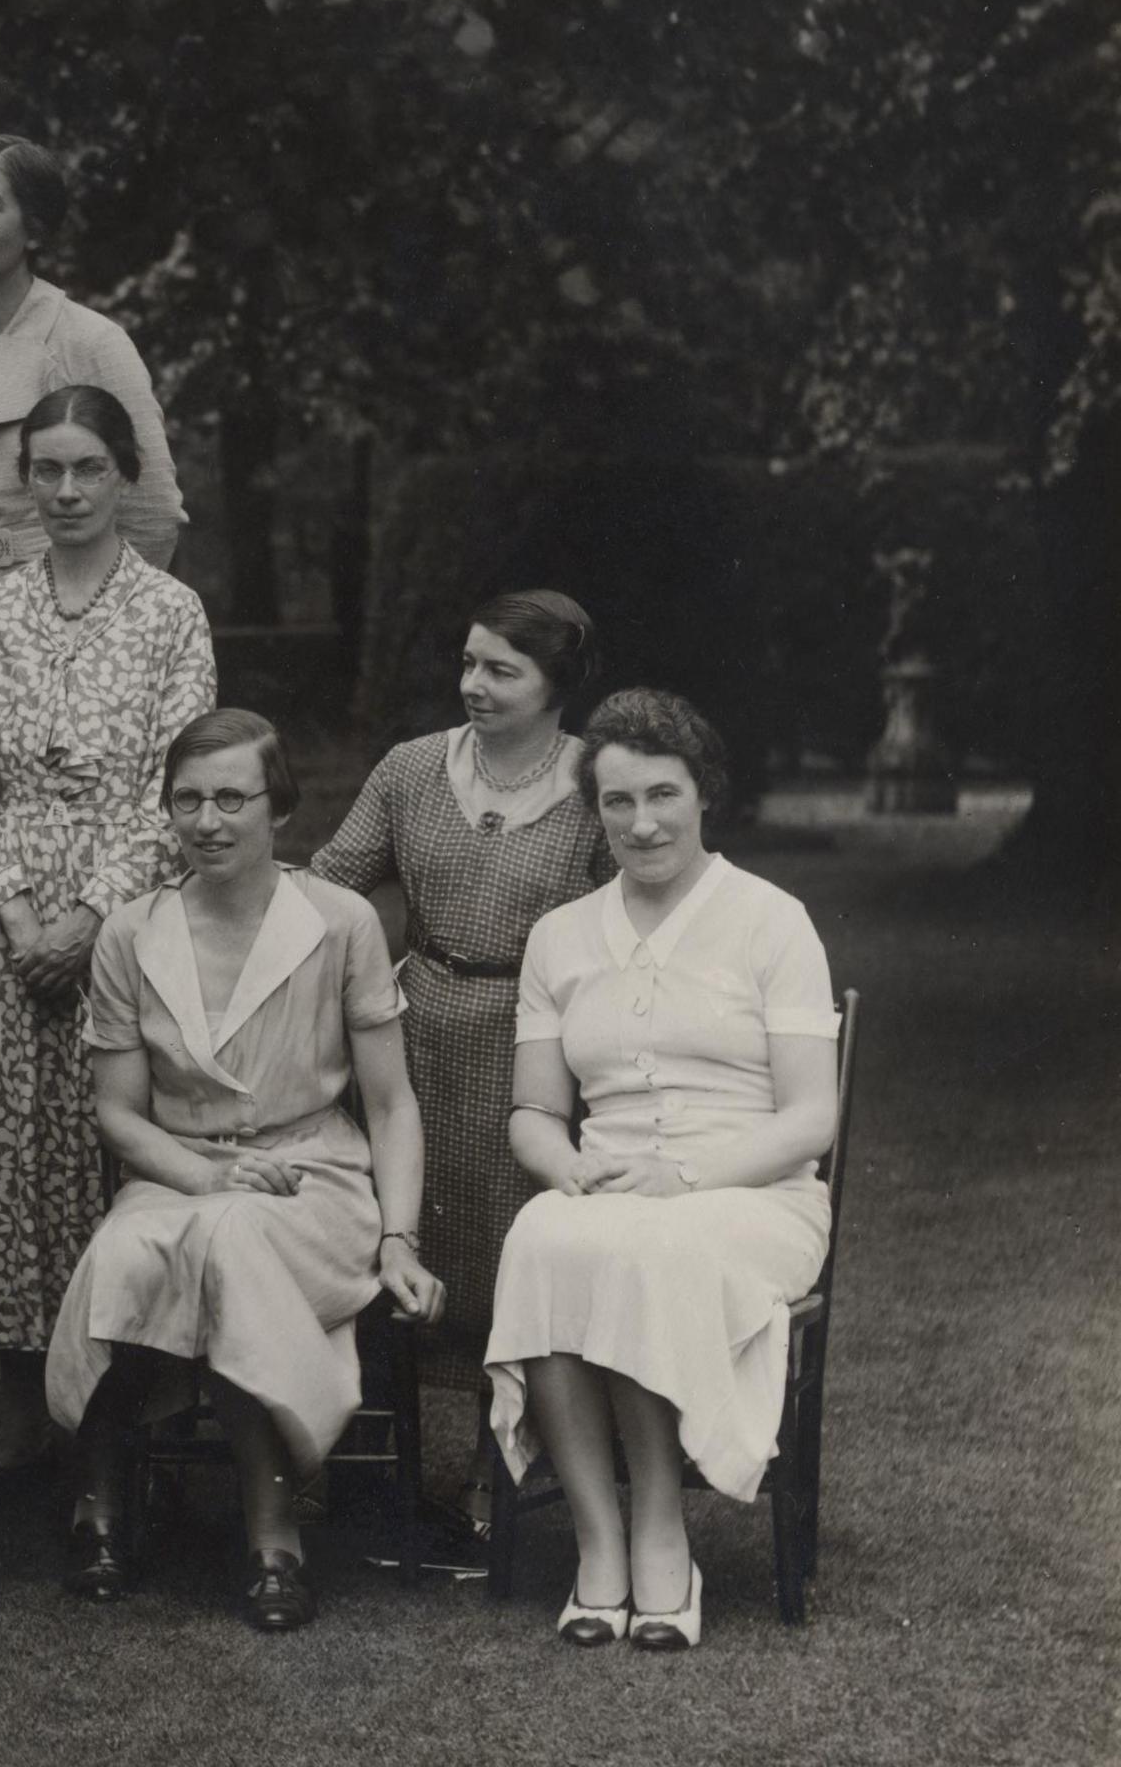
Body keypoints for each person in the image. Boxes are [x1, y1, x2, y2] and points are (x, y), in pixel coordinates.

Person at [49, 710, 443, 1633]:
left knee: (227, 1243)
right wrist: (201, 1175)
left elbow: (390, 1106)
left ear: (282, 811)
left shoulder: (340, 923)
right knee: (129, 1254)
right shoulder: (131, 933)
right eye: (187, 800)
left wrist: (399, 1237)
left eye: (232, 798)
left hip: (314, 1178)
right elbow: (117, 1113)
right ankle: (100, 1503)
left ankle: (271, 1528)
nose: (208, 821)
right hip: (179, 1172)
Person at [489, 689, 840, 1653]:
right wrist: (564, 1169)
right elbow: (533, 1113)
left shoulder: (771, 922)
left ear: (703, 795)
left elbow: (812, 1116)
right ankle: (597, 1539)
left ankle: (660, 1530)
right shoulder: (560, 936)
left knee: (651, 1247)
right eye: (616, 803)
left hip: (750, 1194)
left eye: (663, 796)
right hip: (608, 1187)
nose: (642, 824)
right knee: (545, 1235)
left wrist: (685, 1182)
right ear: (592, 812)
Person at [0, 383, 215, 1463]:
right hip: (11, 918)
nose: (63, 490)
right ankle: (18, 1392)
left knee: (117, 1138)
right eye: (45, 469)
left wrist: (93, 917)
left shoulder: (168, 613)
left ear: (124, 478)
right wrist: (17, 913)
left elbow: (173, 782)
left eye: (85, 469)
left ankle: (127, 1394)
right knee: (14, 1149)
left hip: (126, 915)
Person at [310, 590, 610, 1525]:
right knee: (386, 1231)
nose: (472, 685)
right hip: (415, 1028)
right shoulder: (411, 769)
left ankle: (496, 1467)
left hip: (539, 1046)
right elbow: (328, 882)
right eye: (469, 663)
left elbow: (631, 927)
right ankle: (362, 1460)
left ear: (558, 687)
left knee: (510, 1245)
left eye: (501, 671)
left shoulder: (600, 786)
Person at [0, 135, 183, 876]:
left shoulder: (88, 343)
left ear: (35, 229)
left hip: (51, 641)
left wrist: (90, 632)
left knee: (39, 855)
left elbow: (150, 511)